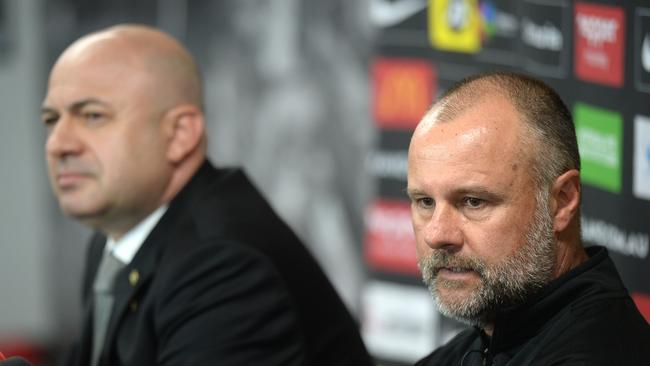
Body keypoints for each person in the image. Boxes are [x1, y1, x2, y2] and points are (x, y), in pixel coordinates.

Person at [41, 24, 373, 366]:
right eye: (51, 119)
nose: (59, 144)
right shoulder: (116, 239)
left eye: (93, 116)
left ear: (180, 135)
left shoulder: (223, 264)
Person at [407, 72, 650, 365]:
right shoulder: (489, 336)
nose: (436, 234)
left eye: (473, 202)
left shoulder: (595, 353)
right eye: (425, 201)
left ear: (562, 202)